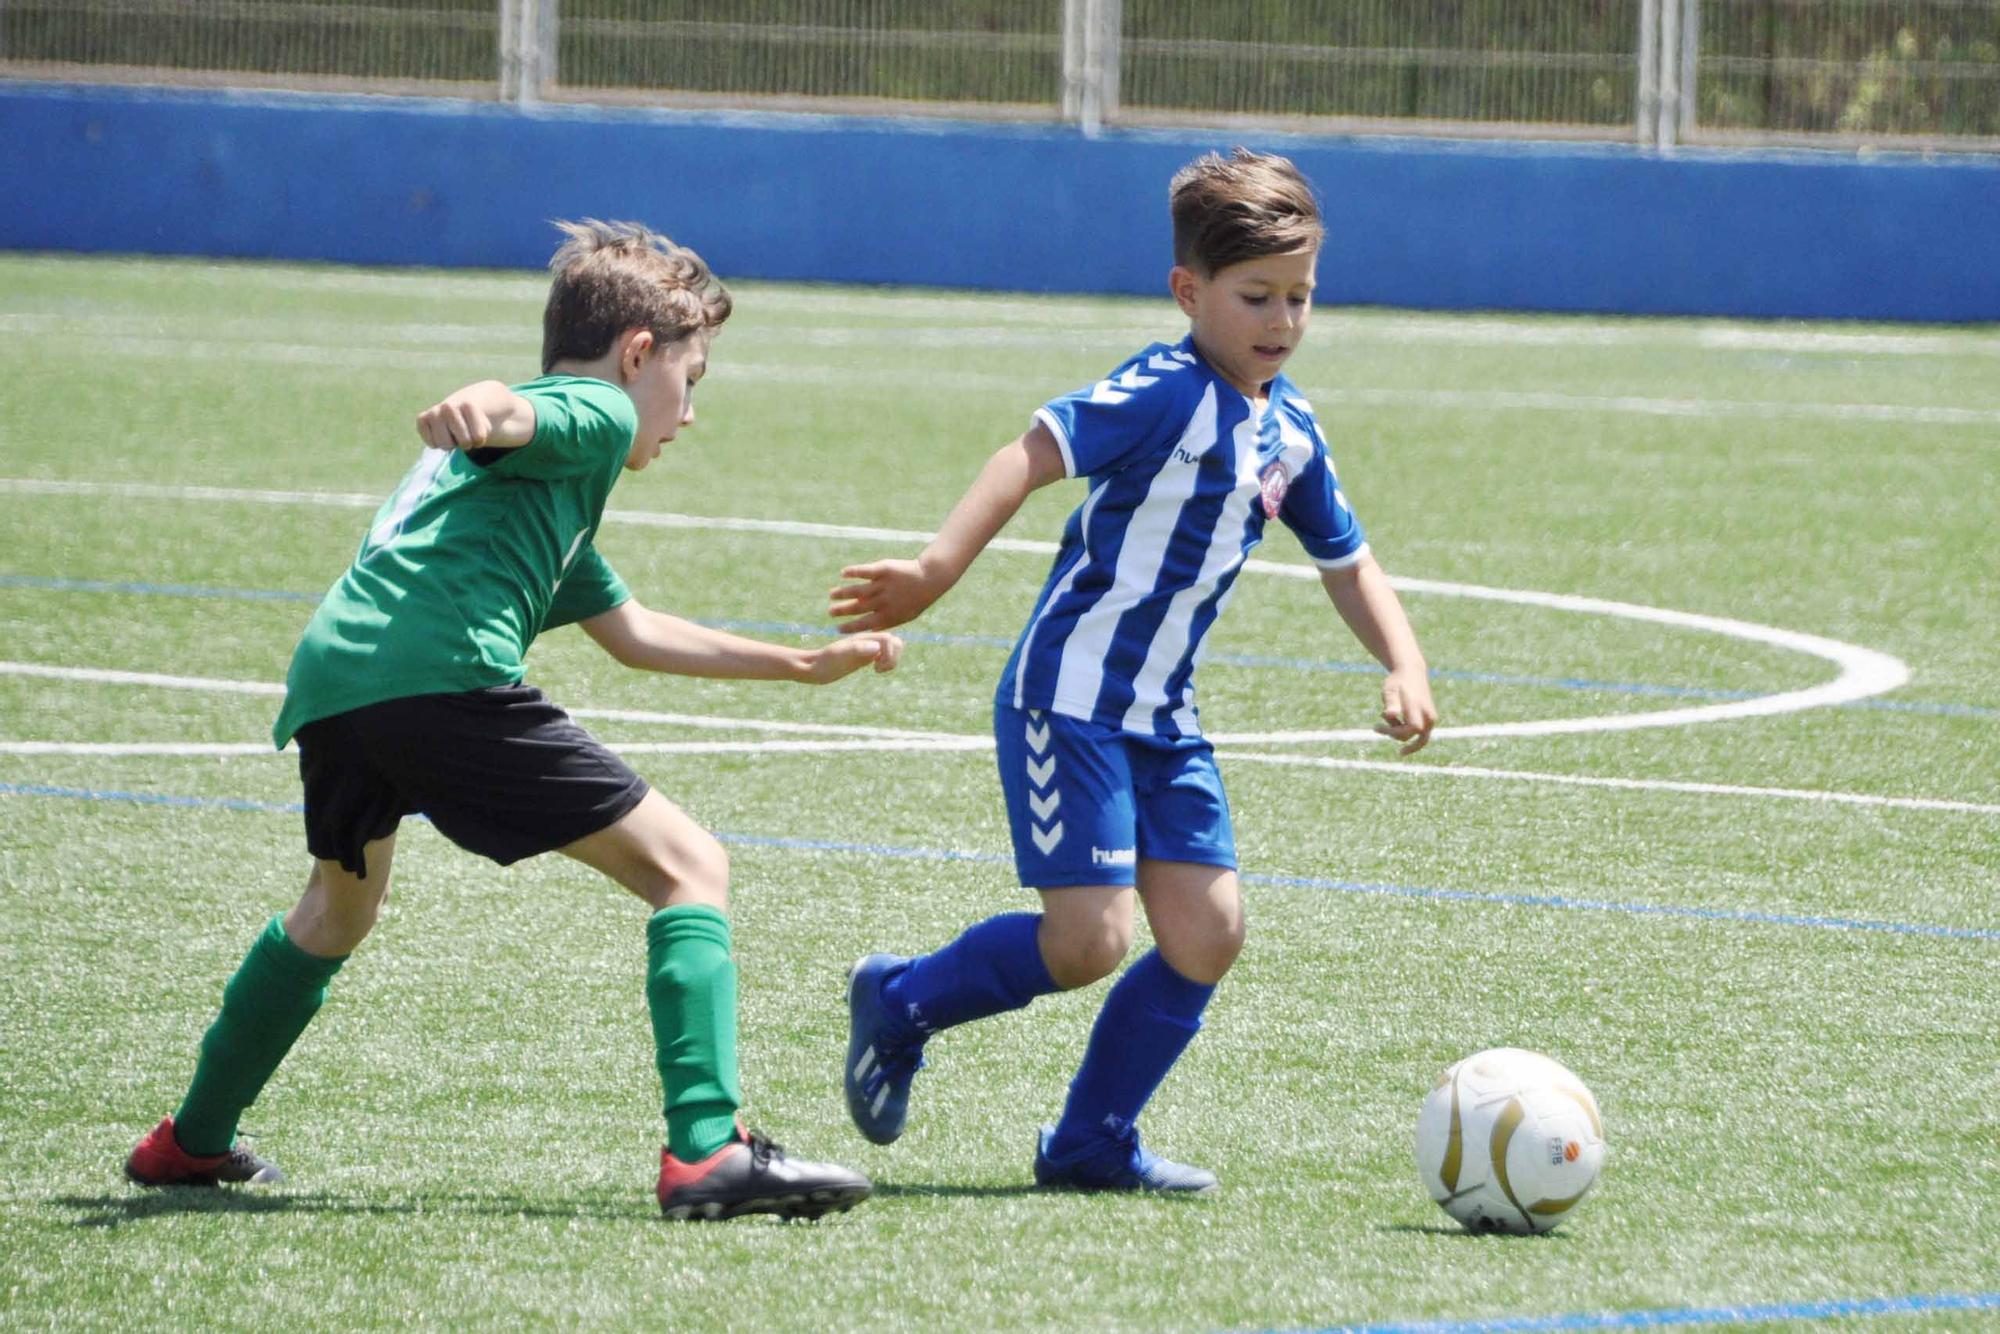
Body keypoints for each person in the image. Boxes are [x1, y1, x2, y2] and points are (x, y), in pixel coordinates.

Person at [124, 219, 901, 1222]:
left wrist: (801, 664)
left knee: (335, 910)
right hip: (437, 674)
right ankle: (708, 1150)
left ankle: (188, 1140)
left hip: (339, 678)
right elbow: (515, 411)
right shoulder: (594, 414)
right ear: (635, 354)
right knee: (689, 865)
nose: (689, 413)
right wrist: (476, 406)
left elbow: (629, 629)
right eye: (691, 378)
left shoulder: (540, 498)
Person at [828, 150, 1437, 1193]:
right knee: (1089, 939)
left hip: (1163, 718)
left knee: (1208, 930)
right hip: (1068, 699)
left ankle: (1089, 1140)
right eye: (1255, 297)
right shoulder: (1158, 391)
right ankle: (903, 998)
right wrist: (934, 570)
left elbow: (1347, 559)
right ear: (1187, 292)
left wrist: (1403, 657)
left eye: (1299, 296)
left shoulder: (1289, 428)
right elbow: (1031, 450)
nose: (1280, 320)